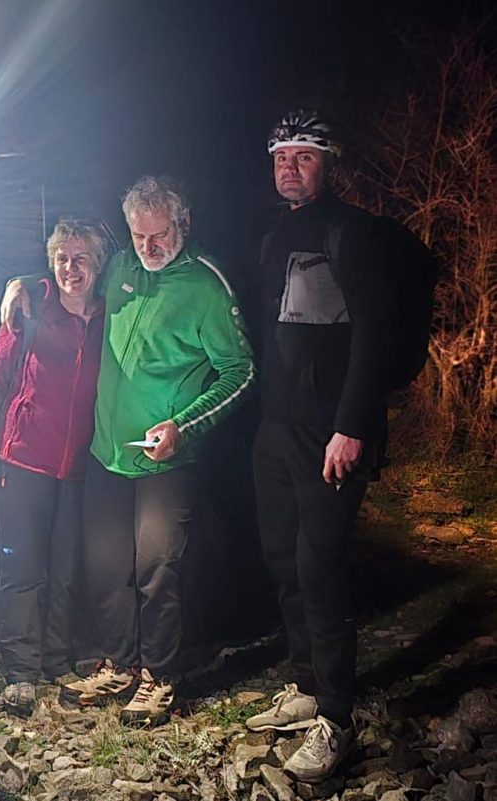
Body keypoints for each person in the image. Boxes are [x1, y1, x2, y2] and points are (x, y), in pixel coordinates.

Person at [1, 176, 255, 725]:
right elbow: (70, 280)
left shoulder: (206, 286)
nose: (149, 247)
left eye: (159, 235)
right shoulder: (121, 268)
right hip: (108, 453)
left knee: (156, 565)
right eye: (138, 236)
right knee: (106, 566)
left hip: (167, 457)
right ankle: (120, 663)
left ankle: (159, 675)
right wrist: (22, 282)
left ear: (183, 225)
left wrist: (184, 425)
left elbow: (240, 372)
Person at [244, 110, 392, 782]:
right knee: (283, 556)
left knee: (320, 566)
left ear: (329, 164)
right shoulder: (276, 233)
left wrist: (353, 424)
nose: (290, 168)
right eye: (282, 157)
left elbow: (373, 332)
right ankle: (305, 682)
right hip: (277, 427)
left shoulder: (349, 230)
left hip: (330, 430)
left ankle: (336, 716)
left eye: (304, 157)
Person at [0, 218, 107, 716]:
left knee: (65, 571)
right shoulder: (30, 309)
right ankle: (21, 673)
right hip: (21, 461)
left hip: (78, 468)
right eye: (62, 259)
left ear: (98, 264)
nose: (71, 269)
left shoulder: (108, 317)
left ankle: (57, 661)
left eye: (81, 258)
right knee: (23, 569)